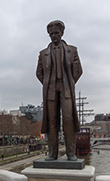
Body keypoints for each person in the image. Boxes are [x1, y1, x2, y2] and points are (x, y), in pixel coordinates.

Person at [36, 20, 82, 161]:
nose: (54, 36)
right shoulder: (43, 53)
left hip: (66, 87)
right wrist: (48, 83)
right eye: (51, 34)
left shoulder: (72, 50)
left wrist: (69, 82)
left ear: (62, 33)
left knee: (68, 119)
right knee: (52, 121)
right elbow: (39, 73)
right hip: (50, 89)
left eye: (56, 33)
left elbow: (78, 71)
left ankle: (71, 153)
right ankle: (52, 154)